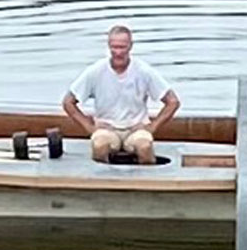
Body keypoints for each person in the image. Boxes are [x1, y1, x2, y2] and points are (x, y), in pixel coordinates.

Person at [62, 25, 180, 164]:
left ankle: (147, 181)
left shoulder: (144, 71)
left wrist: (152, 127)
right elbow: (68, 102)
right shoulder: (95, 71)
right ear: (108, 46)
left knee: (144, 147)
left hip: (136, 128)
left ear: (130, 46)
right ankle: (102, 182)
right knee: (99, 145)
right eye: (114, 47)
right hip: (107, 128)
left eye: (122, 47)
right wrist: (90, 128)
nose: (118, 52)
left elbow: (173, 102)